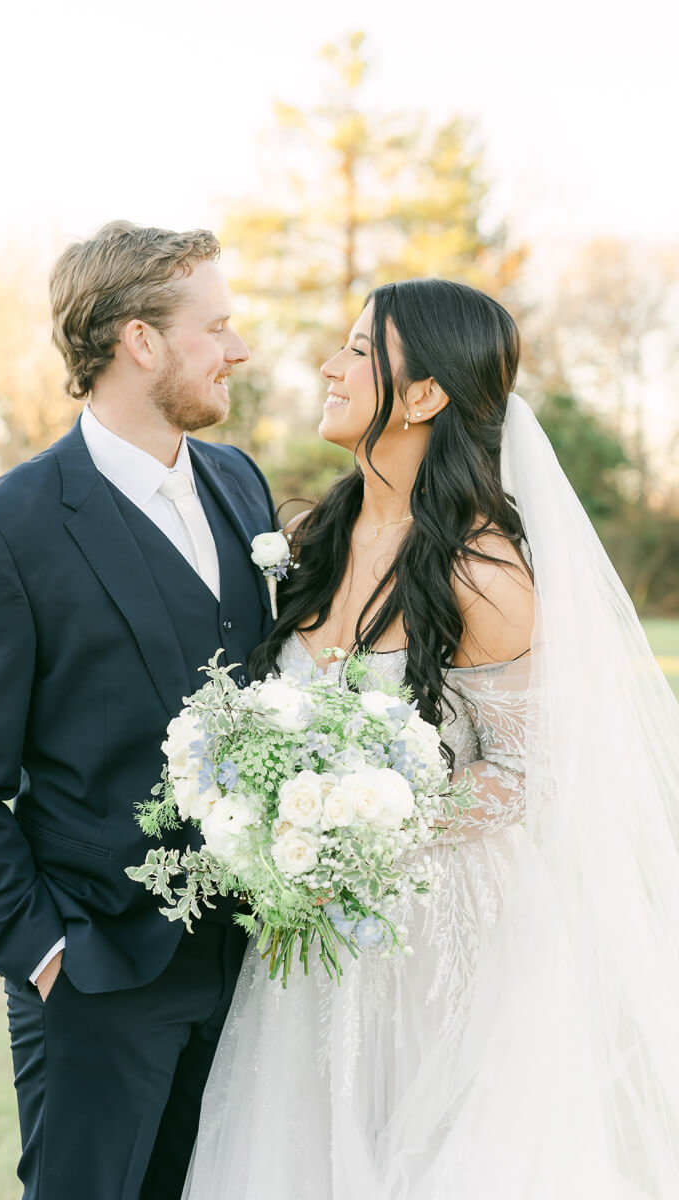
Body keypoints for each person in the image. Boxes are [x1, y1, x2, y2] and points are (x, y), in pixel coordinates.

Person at [182, 279, 679, 1199]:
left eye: (359, 351)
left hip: (441, 943)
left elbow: (530, 770)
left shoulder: (481, 570)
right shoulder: (310, 537)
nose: (331, 366)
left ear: (425, 395)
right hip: (310, 945)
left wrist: (365, 835)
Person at [0, 221, 276, 1200]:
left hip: (249, 973)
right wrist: (42, 952)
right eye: (217, 327)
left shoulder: (241, 485)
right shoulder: (4, 530)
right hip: (96, 977)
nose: (237, 349)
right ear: (140, 341)